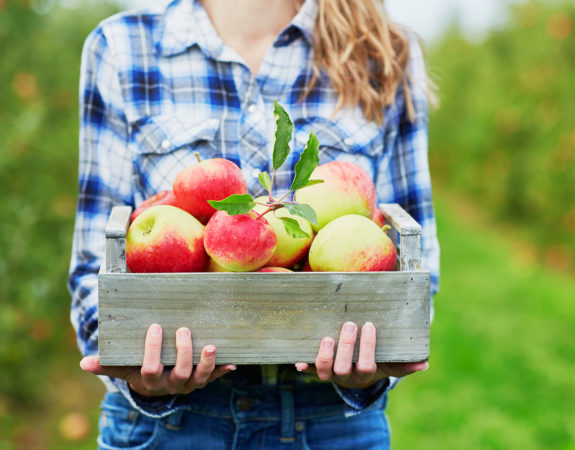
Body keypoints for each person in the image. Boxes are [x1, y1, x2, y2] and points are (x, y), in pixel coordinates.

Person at [68, 0, 440, 448]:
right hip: (168, 427)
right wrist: (131, 364)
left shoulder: (382, 50)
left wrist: (376, 364)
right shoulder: (124, 47)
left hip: (329, 420)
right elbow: (94, 259)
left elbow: (416, 260)